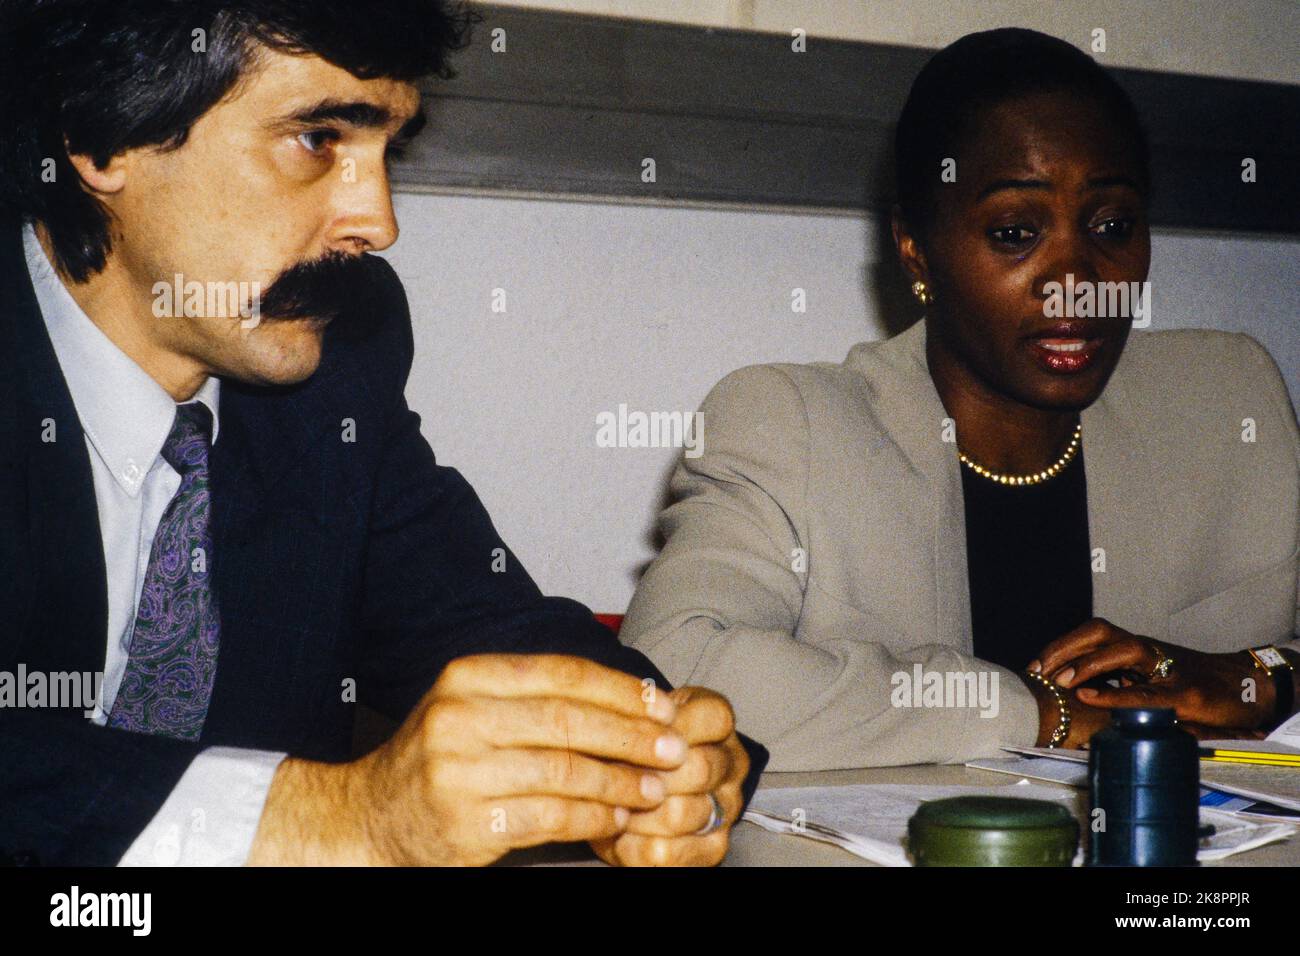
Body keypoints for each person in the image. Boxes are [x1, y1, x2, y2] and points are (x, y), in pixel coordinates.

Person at [0, 0, 765, 866]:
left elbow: (482, 623)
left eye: (387, 151)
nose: (380, 223)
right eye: (319, 138)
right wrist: (347, 818)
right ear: (105, 137)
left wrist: (658, 751)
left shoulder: (338, 363)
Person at [621, 28, 1300, 771]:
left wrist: (1257, 677)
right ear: (916, 246)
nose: (1077, 279)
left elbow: (1264, 674)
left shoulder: (1228, 399)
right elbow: (671, 669)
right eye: (1016, 232)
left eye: (1112, 226)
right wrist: (1038, 711)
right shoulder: (791, 427)